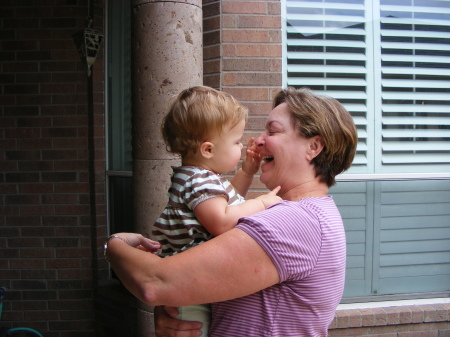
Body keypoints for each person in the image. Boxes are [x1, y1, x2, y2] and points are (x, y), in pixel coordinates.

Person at [104, 87, 358, 337]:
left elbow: (154, 283)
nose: (258, 140)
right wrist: (178, 309)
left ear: (313, 147)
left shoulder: (294, 221)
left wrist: (114, 246)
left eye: (273, 131)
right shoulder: (314, 215)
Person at [150, 86, 282, 336]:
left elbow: (227, 204)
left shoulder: (198, 177)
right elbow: (221, 222)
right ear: (208, 149)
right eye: (236, 141)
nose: (242, 146)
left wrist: (246, 172)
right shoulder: (200, 181)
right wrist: (262, 203)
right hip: (189, 289)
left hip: (190, 280)